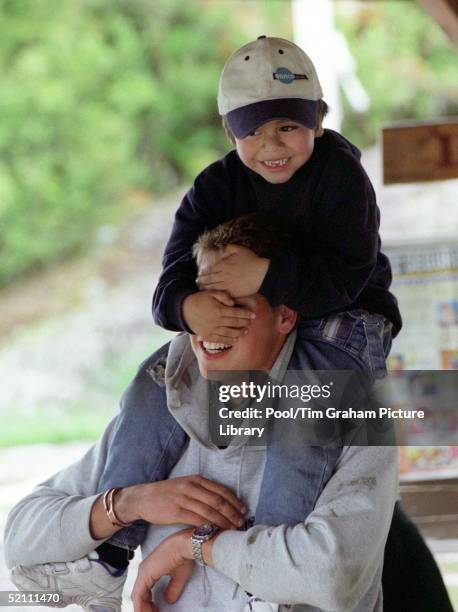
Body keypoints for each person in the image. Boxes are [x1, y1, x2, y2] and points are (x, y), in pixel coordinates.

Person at [5, 215, 398, 612]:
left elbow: (332, 575)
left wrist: (194, 546)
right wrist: (128, 503)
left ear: (285, 316)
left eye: (234, 307)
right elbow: (19, 537)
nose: (211, 327)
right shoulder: (158, 408)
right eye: (203, 307)